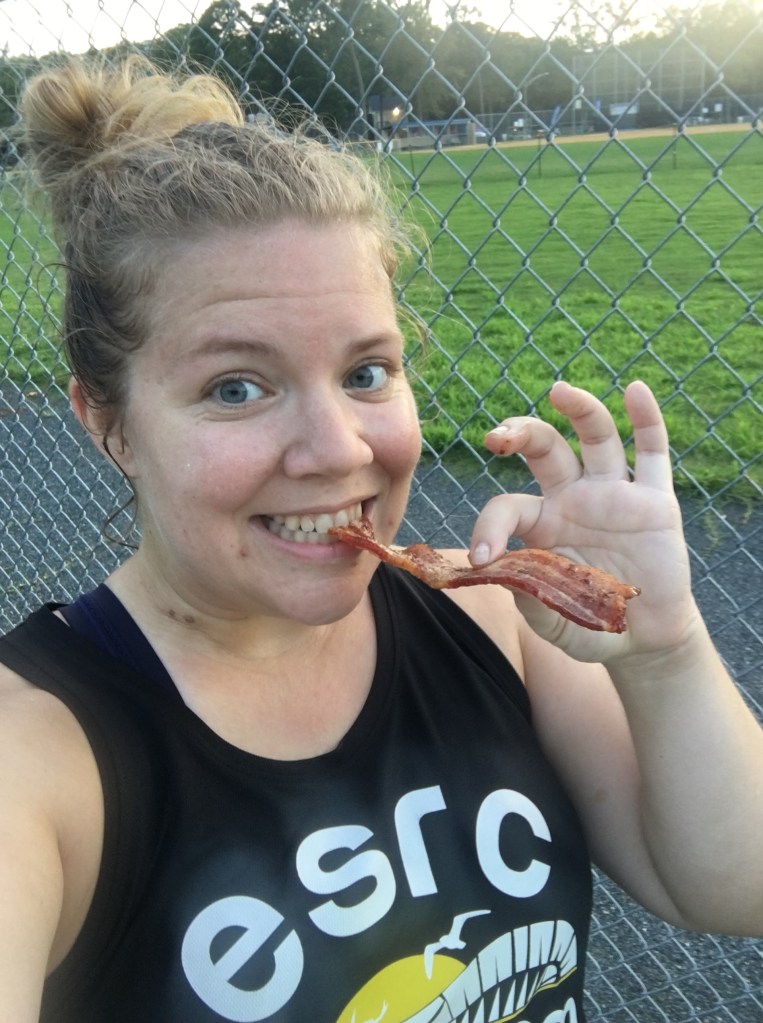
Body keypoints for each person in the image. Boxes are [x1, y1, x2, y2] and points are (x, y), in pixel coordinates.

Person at [1, 55, 761, 1023]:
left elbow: (735, 887)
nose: (339, 448)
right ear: (108, 423)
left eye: (366, 373)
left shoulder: (498, 623)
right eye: (237, 387)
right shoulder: (39, 756)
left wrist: (662, 649)